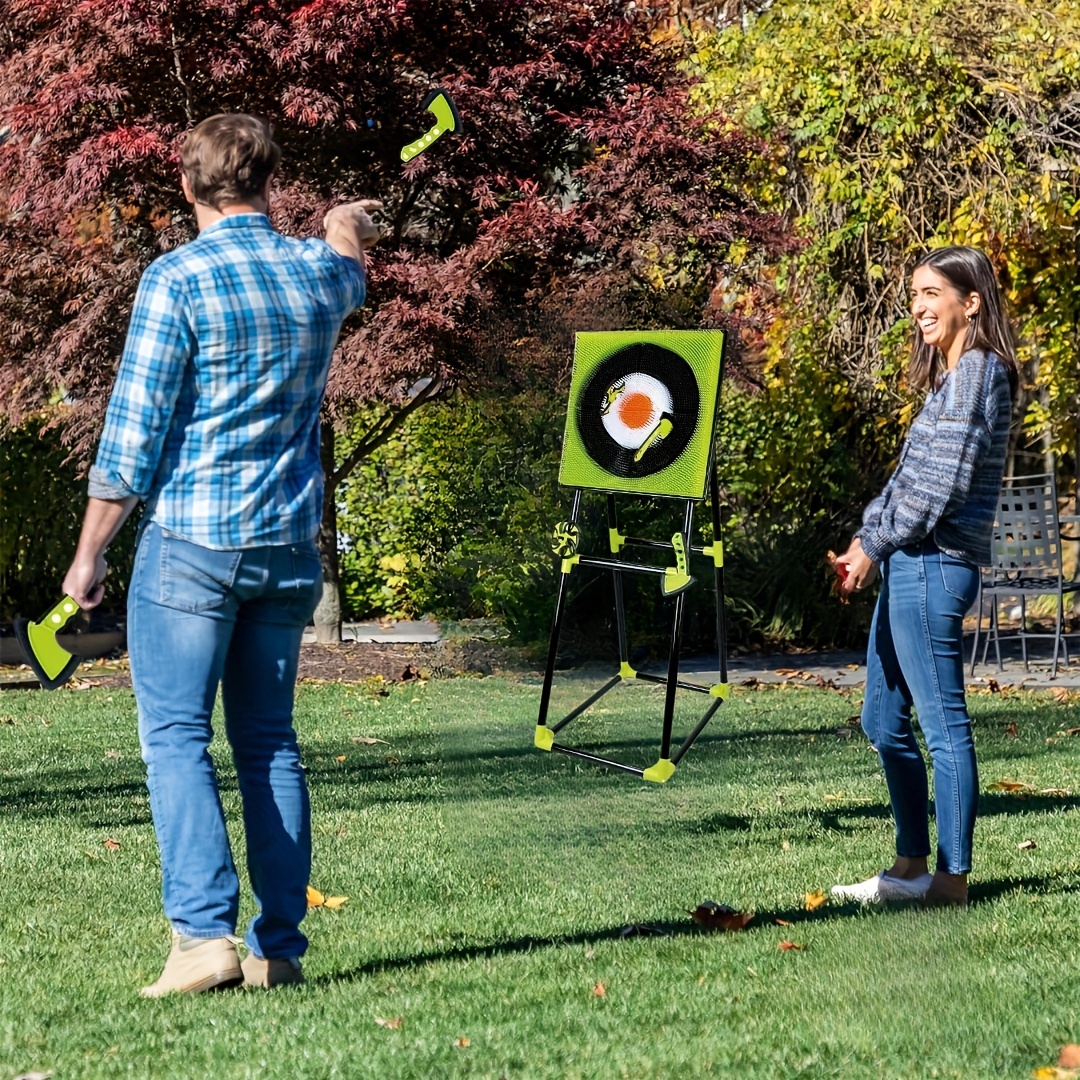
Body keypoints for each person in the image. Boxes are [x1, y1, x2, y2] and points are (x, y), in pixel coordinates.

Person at [61, 113, 381, 994]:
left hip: (194, 547)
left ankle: (203, 942)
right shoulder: (318, 276)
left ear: (188, 186)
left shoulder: (177, 281)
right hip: (286, 548)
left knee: (175, 737)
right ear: (269, 180)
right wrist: (343, 228)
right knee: (270, 745)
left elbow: (131, 436)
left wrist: (88, 555)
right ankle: (278, 949)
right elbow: (348, 269)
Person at [831, 245, 1017, 908]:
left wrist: (873, 546)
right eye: (914, 294)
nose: (918, 306)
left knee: (943, 727)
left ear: (971, 301)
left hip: (936, 565)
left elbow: (941, 488)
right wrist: (865, 541)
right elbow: (907, 481)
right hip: (909, 561)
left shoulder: (979, 374)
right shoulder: (950, 381)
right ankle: (909, 868)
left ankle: (950, 881)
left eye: (932, 292)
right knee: (883, 721)